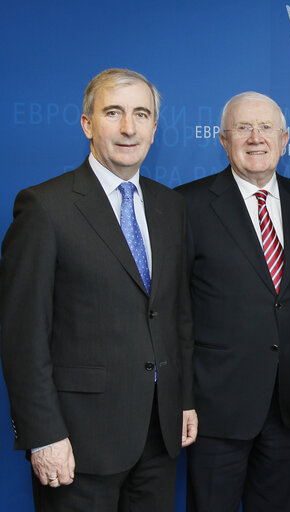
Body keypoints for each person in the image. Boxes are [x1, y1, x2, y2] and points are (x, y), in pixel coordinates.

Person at [0, 68, 197, 511]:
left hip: (158, 435)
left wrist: (182, 399)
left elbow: (175, 313)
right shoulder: (44, 208)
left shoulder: (171, 206)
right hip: (77, 442)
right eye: (114, 112)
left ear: (153, 128)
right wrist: (43, 434)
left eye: (141, 114)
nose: (129, 128)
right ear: (88, 123)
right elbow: (22, 336)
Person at [176, 92, 290, 512]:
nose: (255, 138)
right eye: (243, 128)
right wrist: (182, 397)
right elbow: (173, 311)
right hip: (216, 407)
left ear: (285, 138)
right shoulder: (185, 205)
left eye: (266, 128)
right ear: (224, 140)